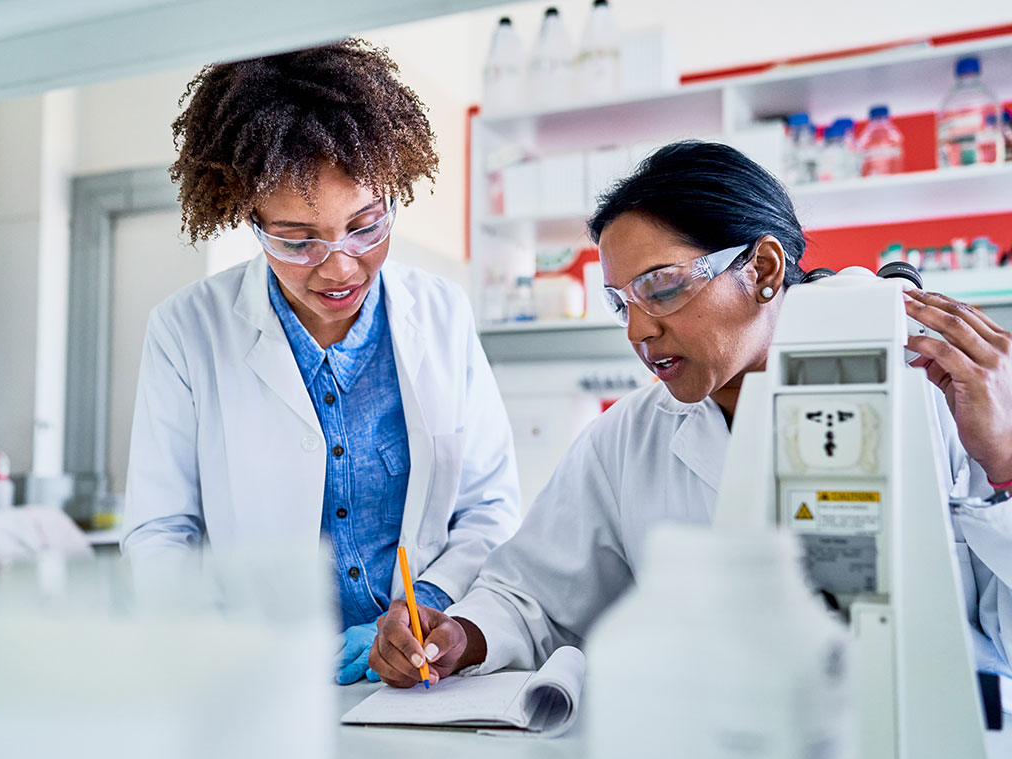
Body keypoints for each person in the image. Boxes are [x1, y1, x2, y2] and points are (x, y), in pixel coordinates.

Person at [369, 140, 1012, 686]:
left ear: (762, 268)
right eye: (623, 303)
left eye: (663, 286)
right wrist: (459, 636)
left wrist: (1006, 465)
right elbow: (530, 594)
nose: (638, 332)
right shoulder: (628, 437)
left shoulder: (942, 396)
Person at [121, 40, 520, 683]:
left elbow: (488, 507)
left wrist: (429, 609)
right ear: (248, 220)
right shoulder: (186, 330)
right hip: (254, 678)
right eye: (297, 240)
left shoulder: (442, 315)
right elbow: (162, 531)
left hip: (417, 676)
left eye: (366, 226)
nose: (339, 267)